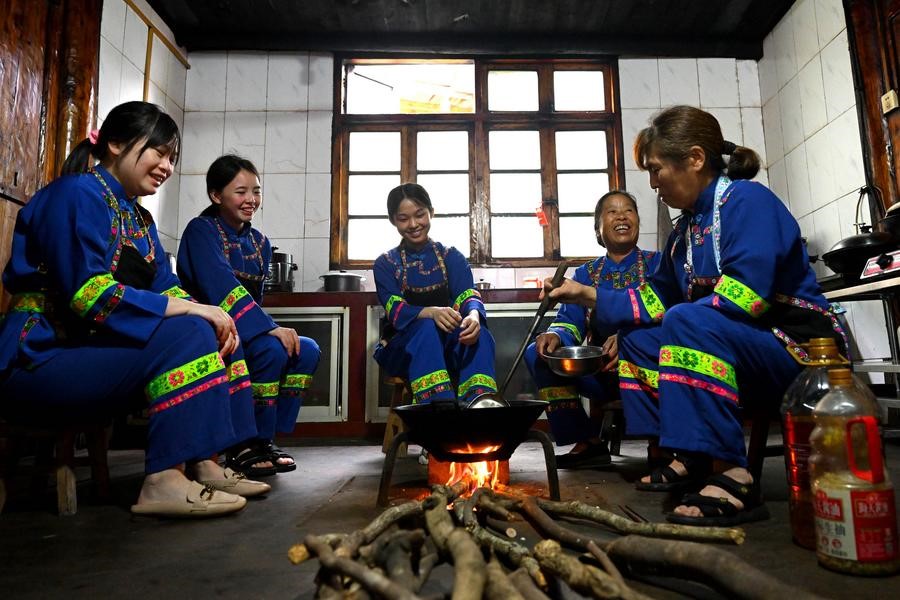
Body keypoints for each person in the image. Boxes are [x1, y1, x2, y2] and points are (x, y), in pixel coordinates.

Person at [543, 105, 846, 526]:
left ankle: (733, 474)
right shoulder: (684, 232)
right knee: (638, 341)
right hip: (743, 346)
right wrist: (586, 294)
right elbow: (655, 299)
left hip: (799, 351)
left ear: (695, 159)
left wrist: (681, 318)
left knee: (685, 321)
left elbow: (748, 298)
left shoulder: (747, 201)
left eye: (655, 170)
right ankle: (687, 452)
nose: (653, 184)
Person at [0, 101, 271, 518]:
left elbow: (170, 287)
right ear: (115, 144)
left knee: (214, 329)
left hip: (91, 353)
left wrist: (213, 314)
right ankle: (163, 479)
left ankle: (204, 462)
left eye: (172, 158)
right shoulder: (75, 194)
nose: (166, 167)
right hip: (41, 357)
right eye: (158, 153)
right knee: (190, 331)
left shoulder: (139, 219)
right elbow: (88, 294)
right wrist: (193, 314)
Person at [177, 155, 320, 477]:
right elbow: (221, 288)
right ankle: (241, 442)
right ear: (217, 195)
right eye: (241, 192)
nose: (251, 200)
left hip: (243, 327)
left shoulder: (260, 243)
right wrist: (268, 329)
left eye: (256, 191)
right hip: (206, 328)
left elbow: (254, 299)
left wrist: (266, 328)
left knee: (306, 349)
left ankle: (265, 438)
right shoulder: (201, 230)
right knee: (271, 348)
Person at [524, 191, 660, 469]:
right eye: (611, 212)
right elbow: (569, 321)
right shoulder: (586, 274)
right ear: (598, 229)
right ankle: (587, 442)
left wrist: (629, 339)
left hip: (650, 364)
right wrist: (555, 335)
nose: (621, 216)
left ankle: (661, 444)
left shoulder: (658, 265)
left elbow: (669, 313)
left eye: (629, 211)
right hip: (602, 373)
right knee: (537, 354)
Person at [373, 182, 497, 406]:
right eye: (403, 218)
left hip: (449, 344)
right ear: (393, 221)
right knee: (427, 329)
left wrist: (474, 317)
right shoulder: (386, 263)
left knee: (480, 334)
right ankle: (439, 415)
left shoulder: (451, 256)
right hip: (403, 348)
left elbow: (468, 296)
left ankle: (480, 409)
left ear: (431, 212)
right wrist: (430, 313)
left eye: (420, 215)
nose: (413, 224)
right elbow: (395, 310)